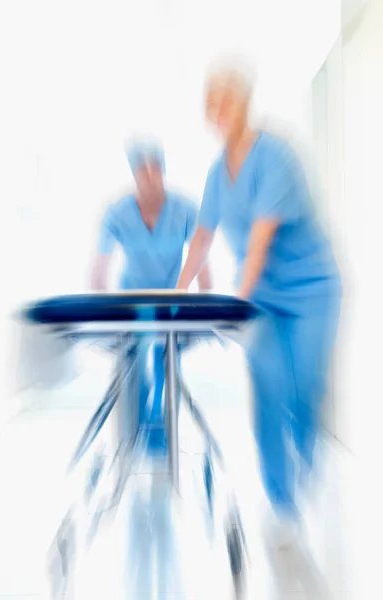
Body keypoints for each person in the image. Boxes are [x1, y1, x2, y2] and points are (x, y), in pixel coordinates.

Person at [177, 60, 342, 548]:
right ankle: (282, 500)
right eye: (210, 102)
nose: (216, 110)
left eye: (224, 99)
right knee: (268, 386)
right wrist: (176, 294)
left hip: (311, 290)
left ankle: (308, 454)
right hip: (263, 298)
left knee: (303, 385)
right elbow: (202, 238)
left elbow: (261, 237)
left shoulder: (276, 156)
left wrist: (235, 302)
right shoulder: (215, 173)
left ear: (244, 103)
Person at [91, 139, 211, 452]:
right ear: (134, 176)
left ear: (163, 172)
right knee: (131, 362)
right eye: (143, 173)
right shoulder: (117, 212)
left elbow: (202, 260)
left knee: (165, 359)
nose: (150, 179)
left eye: (156, 171)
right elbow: (98, 270)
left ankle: (159, 424)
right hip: (131, 303)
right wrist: (103, 309)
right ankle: (135, 428)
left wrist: (202, 303)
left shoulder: (184, 209)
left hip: (171, 301)